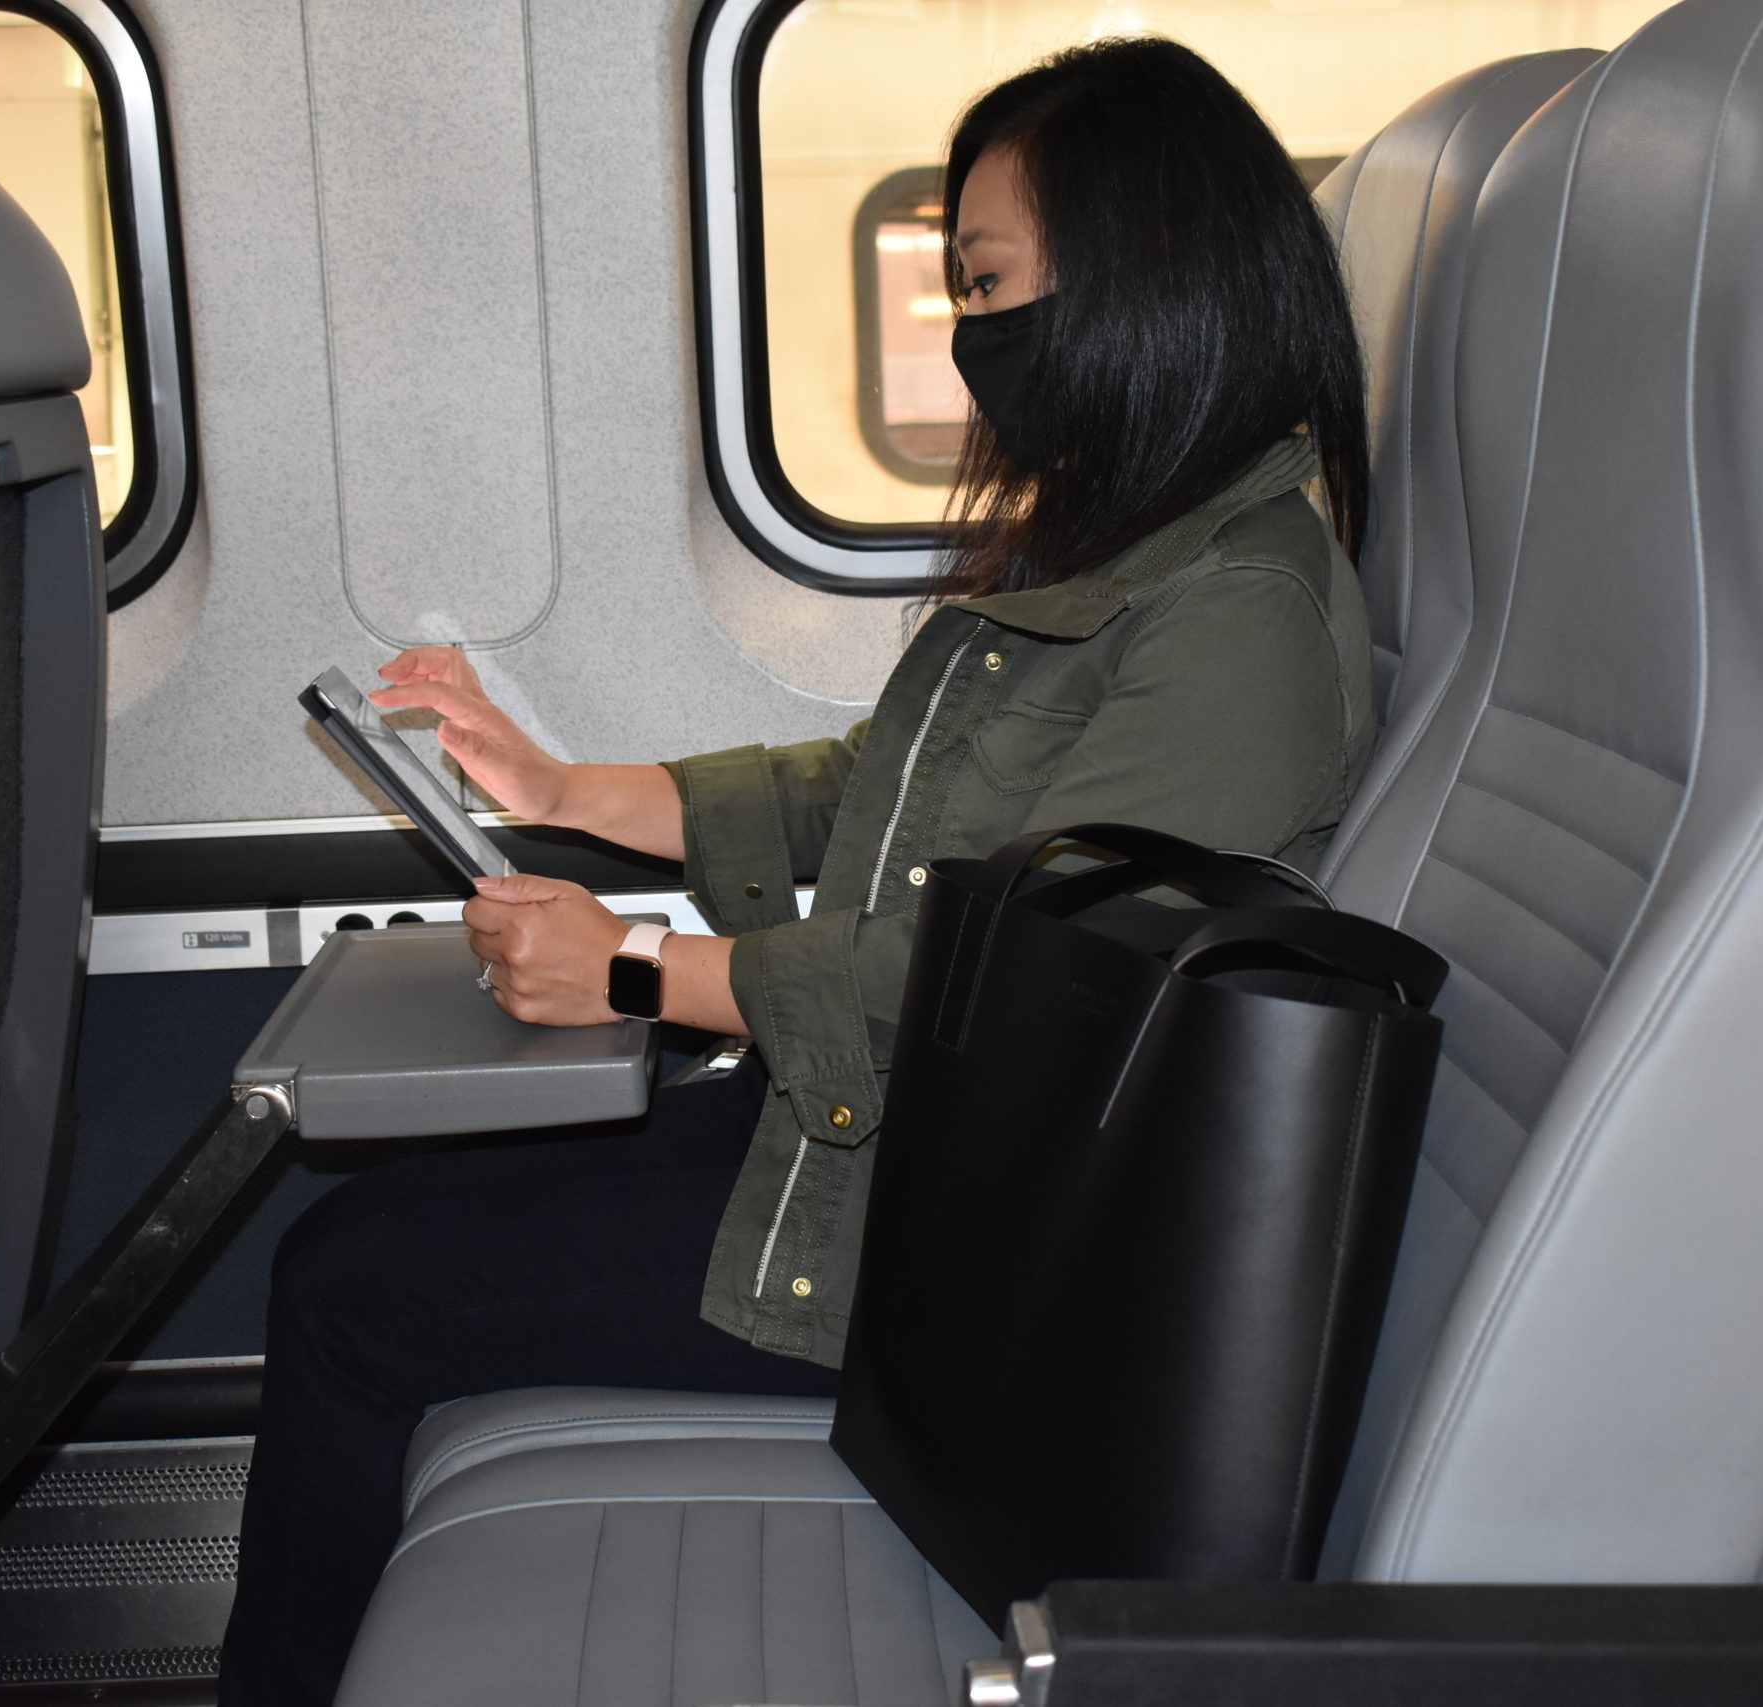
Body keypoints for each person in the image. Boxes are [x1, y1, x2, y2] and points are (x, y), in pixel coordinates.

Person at [216, 35, 1377, 1705]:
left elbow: (1027, 996)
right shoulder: (1140, 552)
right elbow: (889, 794)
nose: (971, 335)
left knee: (345, 1291)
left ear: (1141, 282)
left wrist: (636, 970)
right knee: (372, 1231)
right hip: (902, 1159)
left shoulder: (1239, 619)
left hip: (966, 1266)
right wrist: (563, 788)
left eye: (990, 285)